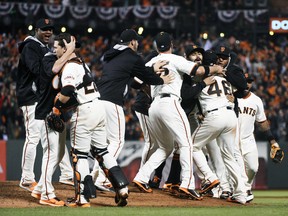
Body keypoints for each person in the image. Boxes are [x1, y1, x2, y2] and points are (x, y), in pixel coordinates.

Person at [133, 32, 223, 200]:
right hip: (170, 102)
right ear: (171, 45)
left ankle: (141, 177)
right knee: (187, 144)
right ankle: (187, 184)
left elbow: (135, 82)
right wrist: (216, 68)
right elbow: (200, 70)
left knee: (164, 148)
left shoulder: (151, 61)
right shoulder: (175, 59)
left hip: (154, 106)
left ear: (155, 47)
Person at [52, 33, 130, 207]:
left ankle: (82, 197)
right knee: (102, 151)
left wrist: (57, 107)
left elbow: (68, 90)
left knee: (79, 155)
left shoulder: (70, 67)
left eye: (56, 47)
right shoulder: (81, 63)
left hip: (85, 110)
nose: (54, 50)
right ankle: (122, 188)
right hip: (98, 107)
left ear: (65, 48)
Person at [94, 29, 173, 189]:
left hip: (98, 100)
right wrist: (161, 79)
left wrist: (151, 70)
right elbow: (146, 76)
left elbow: (134, 79)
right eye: (136, 40)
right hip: (111, 101)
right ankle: (101, 178)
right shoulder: (131, 56)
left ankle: (94, 175)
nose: (138, 43)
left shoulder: (112, 56)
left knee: (106, 144)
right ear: (131, 42)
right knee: (117, 141)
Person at [30, 36, 78, 207]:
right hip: (46, 113)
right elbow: (54, 69)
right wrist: (69, 52)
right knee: (50, 154)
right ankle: (46, 195)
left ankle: (40, 188)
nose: (61, 50)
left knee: (56, 154)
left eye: (63, 47)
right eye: (60, 47)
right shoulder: (48, 58)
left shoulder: (64, 60)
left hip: (58, 114)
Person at [17, 18, 54, 192]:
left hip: (39, 99)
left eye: (50, 30)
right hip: (30, 97)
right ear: (37, 30)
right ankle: (26, 178)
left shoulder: (42, 48)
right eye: (45, 29)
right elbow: (37, 70)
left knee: (42, 139)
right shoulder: (30, 46)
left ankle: (40, 178)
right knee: (32, 138)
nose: (48, 32)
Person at [236, 74, 284, 202]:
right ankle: (242, 191)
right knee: (238, 170)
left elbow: (262, 122)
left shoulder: (256, 100)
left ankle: (246, 188)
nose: (247, 84)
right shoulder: (230, 97)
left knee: (253, 168)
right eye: (245, 81)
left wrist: (272, 141)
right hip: (232, 140)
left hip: (248, 139)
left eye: (250, 82)